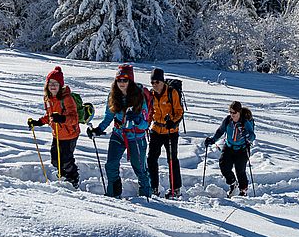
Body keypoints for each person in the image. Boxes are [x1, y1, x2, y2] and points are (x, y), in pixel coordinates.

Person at [88, 64, 153, 198]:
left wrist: (137, 119)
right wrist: (98, 129)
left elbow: (145, 124)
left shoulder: (139, 96)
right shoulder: (113, 95)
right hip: (118, 134)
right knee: (110, 165)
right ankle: (113, 194)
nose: (121, 83)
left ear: (131, 80)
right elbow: (109, 116)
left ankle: (146, 195)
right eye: (119, 80)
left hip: (136, 136)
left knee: (140, 168)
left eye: (125, 79)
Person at [27, 66, 80, 187]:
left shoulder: (67, 98)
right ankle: (64, 174)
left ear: (60, 85)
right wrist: (38, 122)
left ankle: (73, 178)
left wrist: (62, 119)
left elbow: (74, 119)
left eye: (55, 83)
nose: (52, 86)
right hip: (57, 134)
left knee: (66, 159)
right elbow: (49, 115)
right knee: (55, 160)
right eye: (50, 83)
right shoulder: (48, 98)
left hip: (70, 134)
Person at [204, 101, 256, 197]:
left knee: (240, 170)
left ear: (239, 112)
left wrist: (247, 135)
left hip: (242, 149)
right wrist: (213, 140)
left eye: (234, 113)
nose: (232, 115)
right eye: (230, 112)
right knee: (223, 165)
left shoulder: (245, 122)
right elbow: (220, 131)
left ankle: (243, 191)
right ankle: (233, 183)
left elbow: (252, 136)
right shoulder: (228, 120)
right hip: (229, 147)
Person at [147, 68, 184, 197]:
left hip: (170, 131)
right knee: (151, 159)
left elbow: (179, 111)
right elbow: (150, 112)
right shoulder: (151, 94)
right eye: (152, 82)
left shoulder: (171, 92)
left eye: (157, 81)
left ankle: (175, 189)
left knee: (172, 159)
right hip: (156, 130)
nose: (155, 85)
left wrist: (173, 122)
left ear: (162, 81)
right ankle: (154, 187)